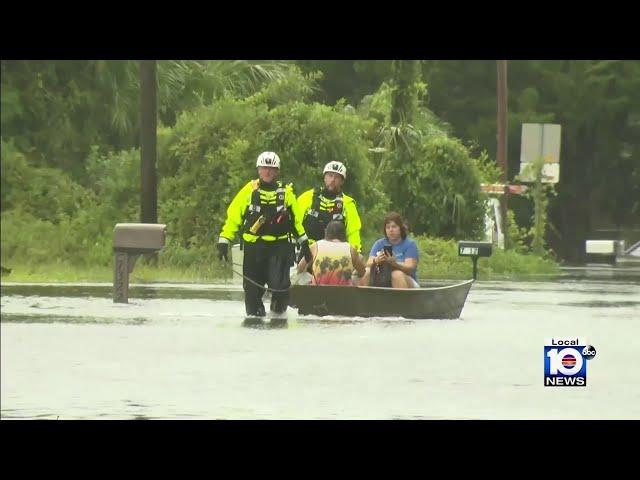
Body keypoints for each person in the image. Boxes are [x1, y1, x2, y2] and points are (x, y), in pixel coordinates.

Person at [217, 151, 312, 317]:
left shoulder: (287, 194)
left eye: (271, 168)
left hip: (279, 248)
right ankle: (255, 321)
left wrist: (304, 244)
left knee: (281, 288)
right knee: (252, 292)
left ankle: (278, 317)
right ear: (258, 170)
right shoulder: (248, 191)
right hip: (255, 248)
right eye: (264, 168)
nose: (267, 171)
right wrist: (224, 241)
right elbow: (233, 218)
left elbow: (296, 222)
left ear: (277, 171)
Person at [297, 161, 362, 254]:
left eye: (337, 177)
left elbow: (353, 233)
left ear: (342, 181)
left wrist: (355, 253)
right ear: (324, 177)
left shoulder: (348, 203)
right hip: (308, 251)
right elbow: (295, 223)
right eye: (330, 175)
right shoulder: (308, 197)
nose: (332, 180)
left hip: (335, 254)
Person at [361, 212, 420, 289]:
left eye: (394, 227)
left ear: (400, 228)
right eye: (388, 227)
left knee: (396, 274)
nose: (391, 230)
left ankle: (403, 300)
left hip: (408, 281)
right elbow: (368, 264)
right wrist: (376, 260)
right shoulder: (379, 243)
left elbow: (410, 268)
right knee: (367, 272)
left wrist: (394, 264)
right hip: (384, 279)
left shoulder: (410, 244)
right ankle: (365, 300)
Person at [297, 221, 366, 286]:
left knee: (301, 275)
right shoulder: (350, 249)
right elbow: (362, 272)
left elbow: (300, 268)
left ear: (326, 232)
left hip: (317, 290)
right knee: (358, 276)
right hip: (343, 292)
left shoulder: (316, 246)